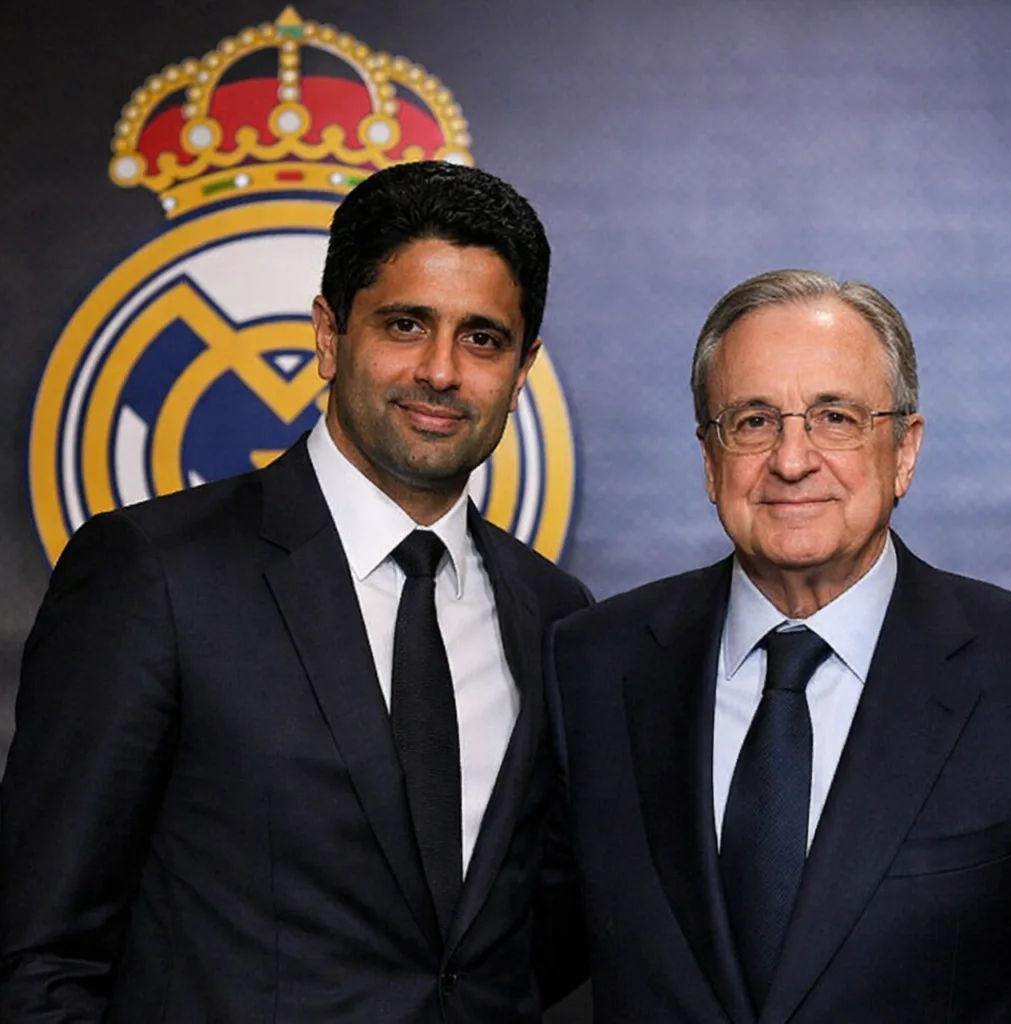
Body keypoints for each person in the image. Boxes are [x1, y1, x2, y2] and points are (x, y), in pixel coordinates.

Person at [0, 161, 590, 1021]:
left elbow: (537, 942)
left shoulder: (556, 615)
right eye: (405, 324)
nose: (441, 370)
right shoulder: (154, 574)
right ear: (328, 334)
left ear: (522, 366)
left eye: (482, 339)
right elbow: (38, 952)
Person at [546, 269, 1011, 1022]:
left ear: (904, 450)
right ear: (710, 459)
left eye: (835, 417)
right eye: (753, 421)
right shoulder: (594, 664)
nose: (792, 460)